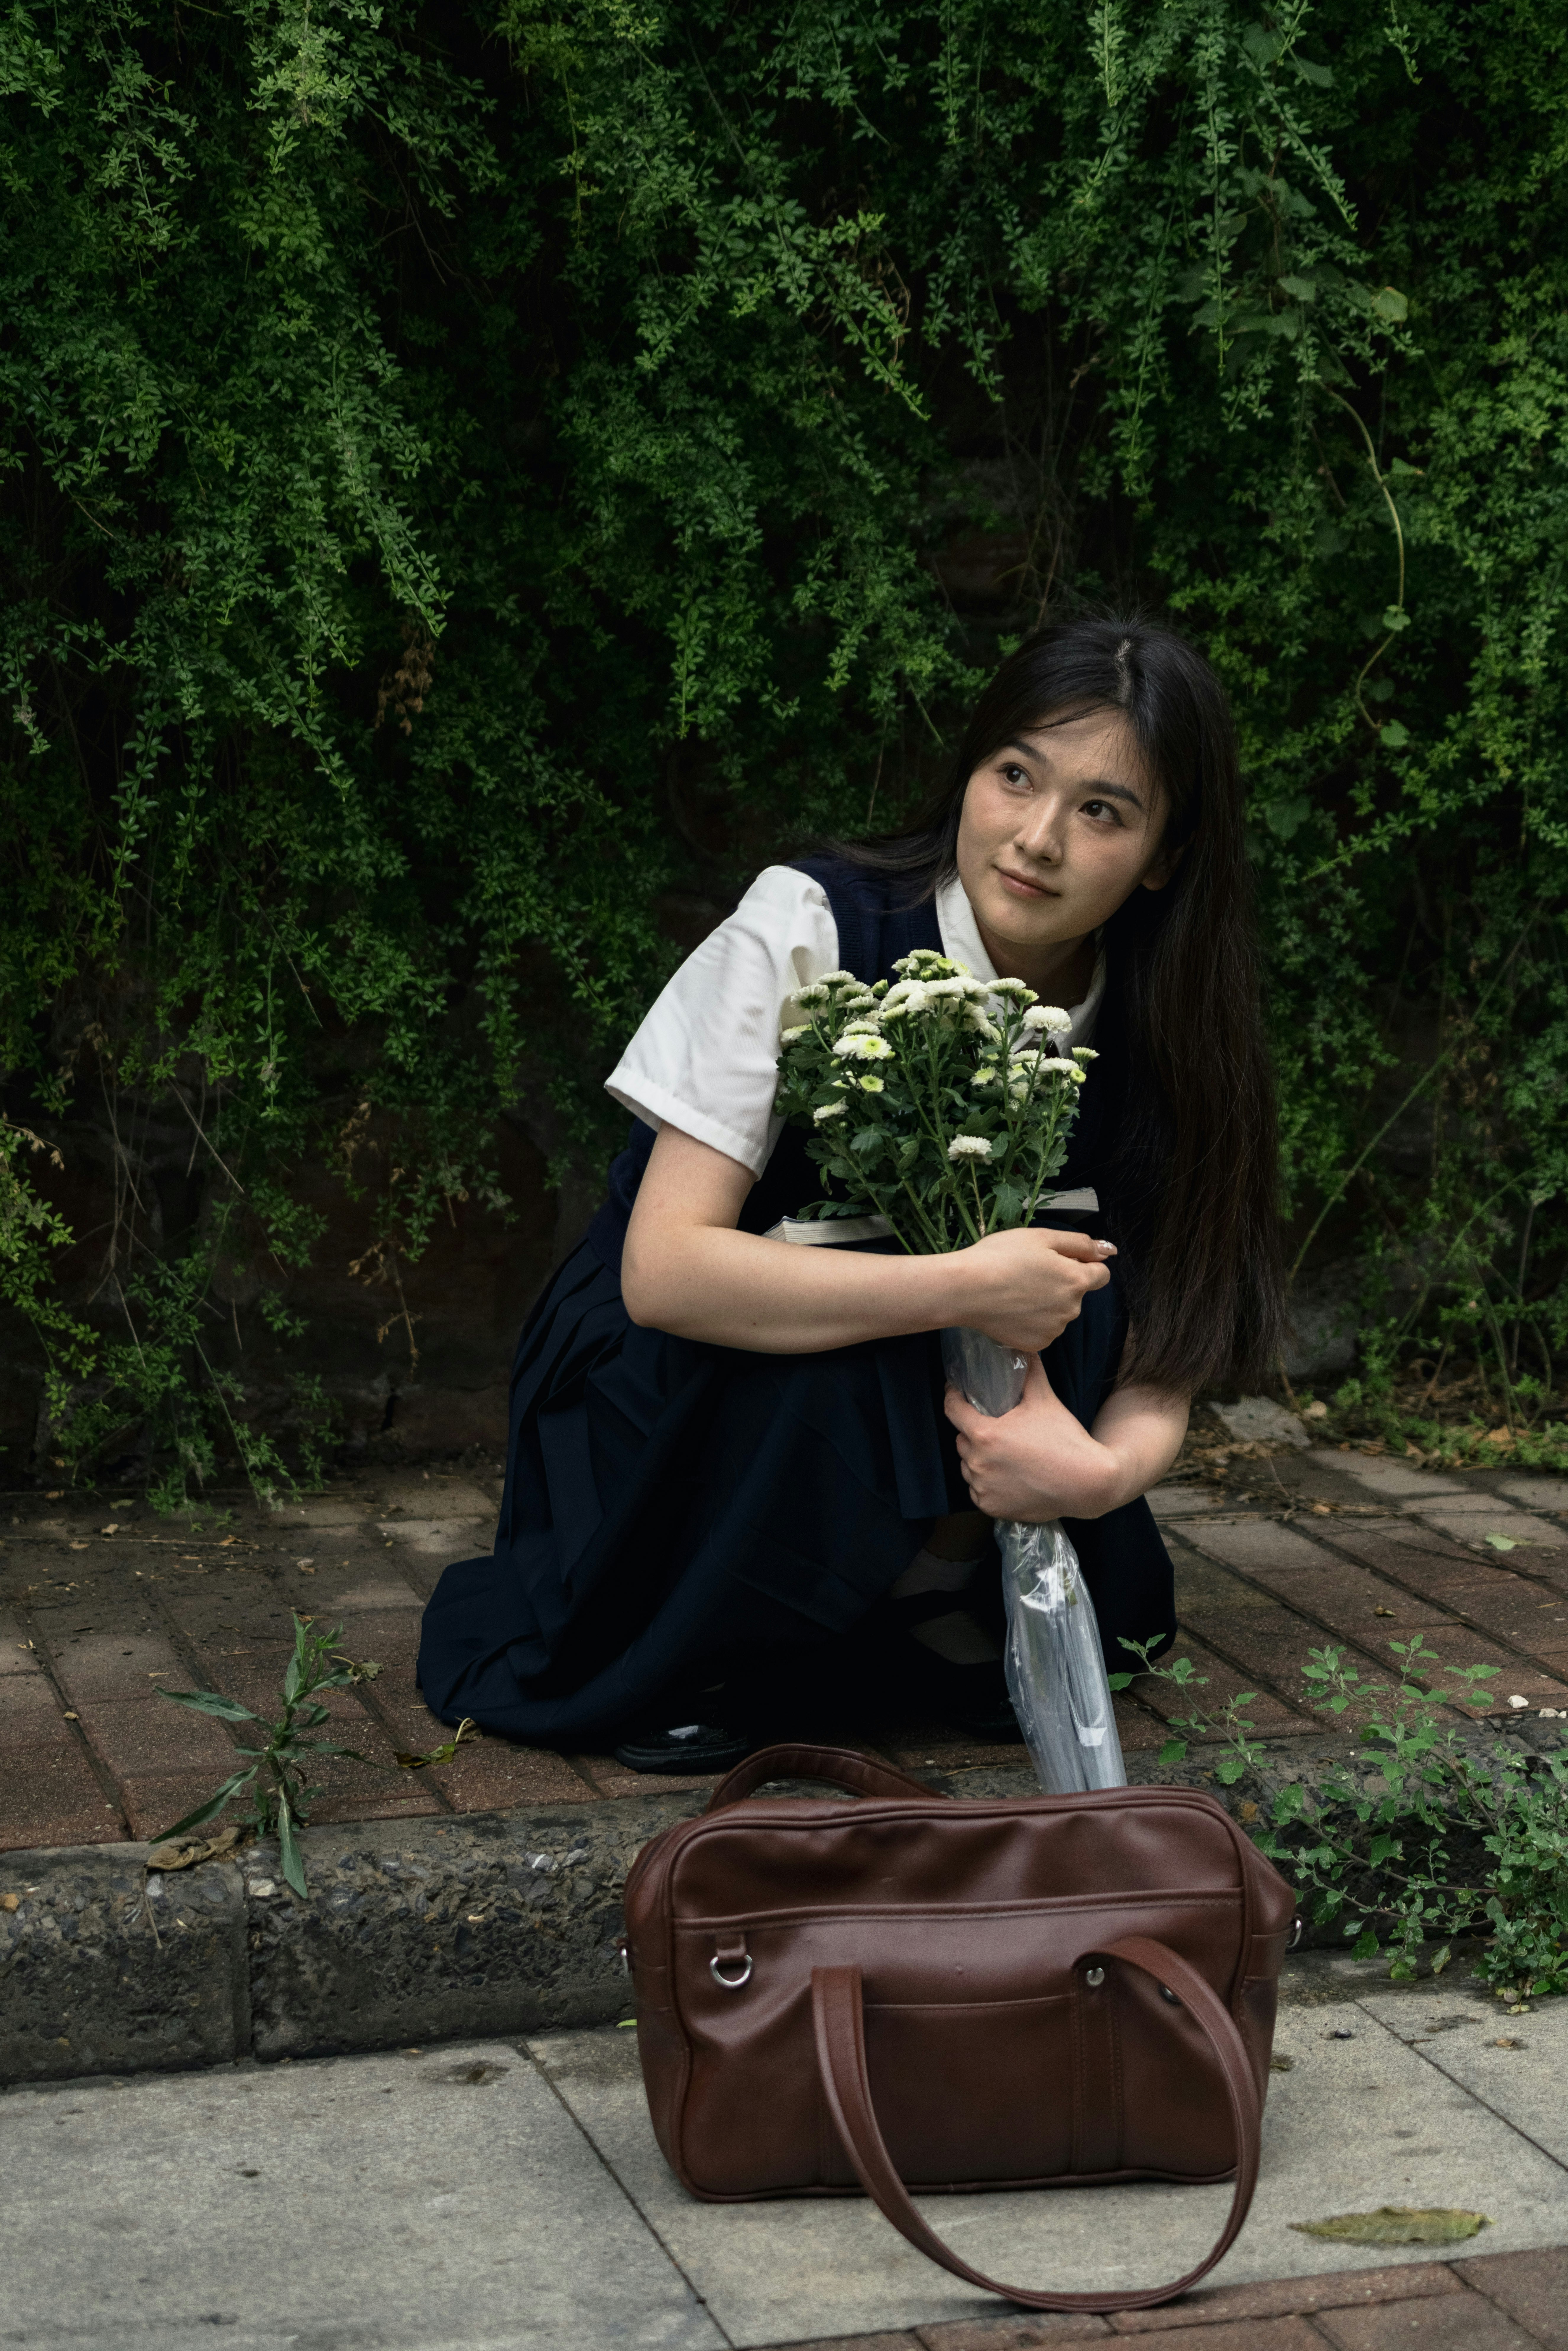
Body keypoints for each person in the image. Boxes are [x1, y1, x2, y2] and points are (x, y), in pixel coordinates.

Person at [417, 617, 1285, 1769]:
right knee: (936, 1295)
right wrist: (958, 1282)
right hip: (681, 1384)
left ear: (1166, 854)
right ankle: (727, 1631)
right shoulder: (817, 923)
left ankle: (923, 1595)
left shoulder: (1168, 1022)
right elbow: (665, 1270)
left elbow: (1174, 1325)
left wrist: (1104, 1471)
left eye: (1103, 810)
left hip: (947, 1412)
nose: (1038, 838)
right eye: (1016, 774)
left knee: (1078, 1283)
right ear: (970, 769)